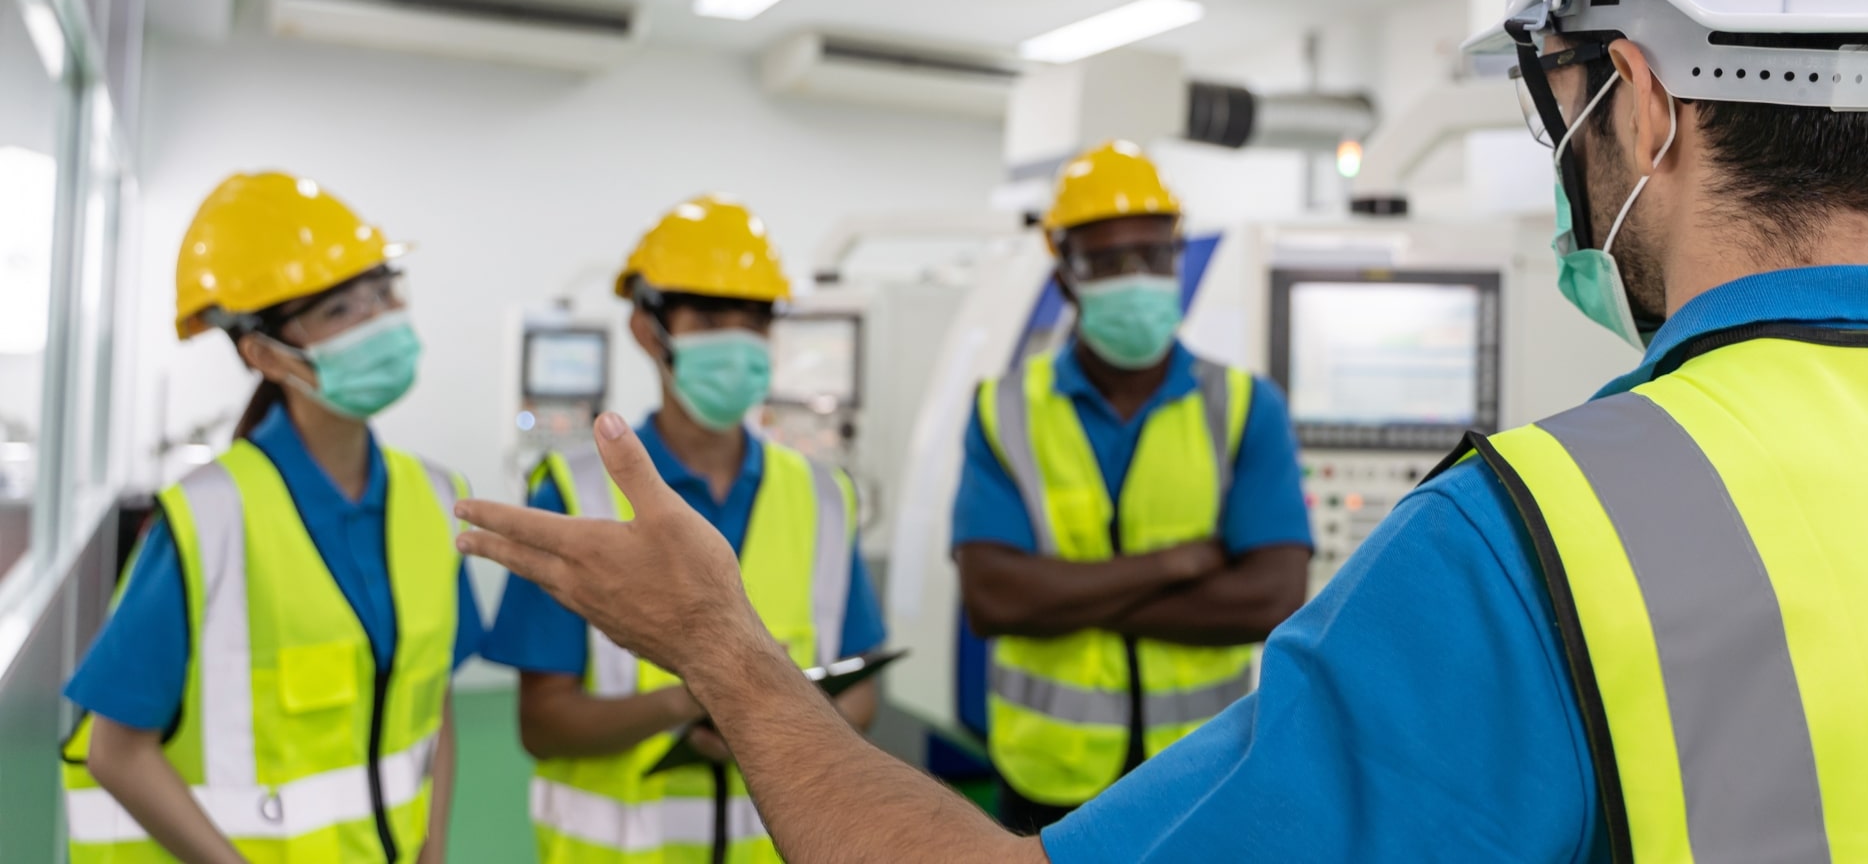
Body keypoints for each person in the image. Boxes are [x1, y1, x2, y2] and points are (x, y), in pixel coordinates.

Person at [453, 0, 1868, 858]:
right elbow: (1007, 594)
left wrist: (719, 644)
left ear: (1640, 98)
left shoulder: (1533, 545)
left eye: (1561, 104)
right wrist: (1181, 573)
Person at [63, 172, 486, 864]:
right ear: (263, 354)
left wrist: (432, 851)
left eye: (382, 294)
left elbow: (432, 701)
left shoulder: (436, 500)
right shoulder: (206, 521)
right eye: (341, 310)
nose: (378, 321)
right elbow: (116, 751)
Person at [481, 194, 886, 864]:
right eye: (708, 315)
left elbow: (863, 693)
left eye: (753, 318)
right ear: (647, 327)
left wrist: (769, 716)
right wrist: (689, 701)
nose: (736, 337)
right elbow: (544, 723)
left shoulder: (822, 496)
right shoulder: (576, 492)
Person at [951, 140, 1311, 832]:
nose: (1136, 276)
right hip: (1049, 777)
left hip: (1206, 768)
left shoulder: (1244, 406)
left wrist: (1063, 594)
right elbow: (993, 598)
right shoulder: (1004, 410)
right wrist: (1173, 566)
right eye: (1108, 261)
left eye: (1153, 254)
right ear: (1065, 277)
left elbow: (1271, 597)